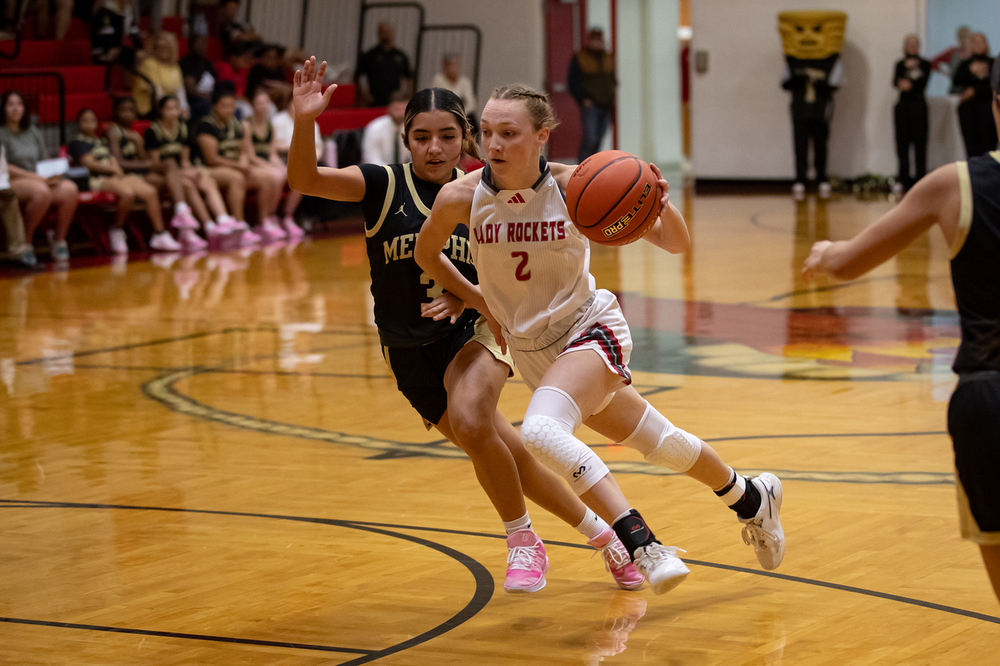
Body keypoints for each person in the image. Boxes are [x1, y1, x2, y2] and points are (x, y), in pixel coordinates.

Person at [288, 56, 644, 593]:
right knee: (508, 457)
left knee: (475, 420)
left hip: (478, 330)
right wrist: (303, 121)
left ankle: (523, 541)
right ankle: (605, 536)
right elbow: (303, 179)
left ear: (465, 141)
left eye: (448, 136)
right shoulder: (380, 185)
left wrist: (471, 297)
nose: (435, 148)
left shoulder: (488, 188)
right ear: (405, 139)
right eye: (423, 136)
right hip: (406, 346)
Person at [415, 84, 786, 593]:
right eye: (486, 132)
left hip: (590, 329)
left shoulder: (579, 186)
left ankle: (643, 544)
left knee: (542, 431)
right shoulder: (461, 195)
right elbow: (425, 254)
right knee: (660, 443)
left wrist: (657, 198)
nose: (493, 144)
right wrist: (479, 298)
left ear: (542, 135)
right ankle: (751, 496)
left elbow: (676, 243)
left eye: (509, 132)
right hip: (533, 352)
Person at [802, 58, 1000, 605]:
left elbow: (847, 262)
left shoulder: (954, 184)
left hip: (988, 399)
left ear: (994, 106)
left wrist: (826, 253)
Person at [69, 108, 181, 253]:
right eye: (85, 121)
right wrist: (112, 170)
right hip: (94, 179)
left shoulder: (101, 141)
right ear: (79, 124)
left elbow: (113, 159)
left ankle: (159, 234)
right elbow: (88, 162)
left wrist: (117, 170)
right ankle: (117, 229)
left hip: (114, 176)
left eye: (92, 120)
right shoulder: (77, 142)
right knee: (127, 193)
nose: (89, 124)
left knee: (150, 191)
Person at [193, 81, 282, 246]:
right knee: (237, 177)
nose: (229, 110)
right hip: (210, 170)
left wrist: (244, 164)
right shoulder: (206, 125)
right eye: (224, 106)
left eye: (231, 106)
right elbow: (212, 159)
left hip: (235, 168)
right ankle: (239, 224)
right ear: (214, 107)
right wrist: (239, 167)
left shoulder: (236, 124)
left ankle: (263, 222)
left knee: (267, 178)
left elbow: (243, 151)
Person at [145, 95, 232, 248]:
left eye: (175, 108)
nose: (173, 112)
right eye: (169, 109)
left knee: (197, 180)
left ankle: (212, 223)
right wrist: (181, 173)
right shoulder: (153, 130)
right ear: (161, 111)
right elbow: (155, 163)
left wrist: (190, 170)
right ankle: (206, 225)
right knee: (182, 177)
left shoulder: (184, 128)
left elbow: (185, 160)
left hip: (178, 173)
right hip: (159, 172)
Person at [0, 90, 78, 261]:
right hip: (10, 180)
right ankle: (26, 243)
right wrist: (34, 177)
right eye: (10, 104)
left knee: (70, 189)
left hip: (37, 178)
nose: (15, 108)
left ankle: (58, 240)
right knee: (41, 192)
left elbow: (43, 160)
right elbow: (4, 165)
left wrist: (54, 171)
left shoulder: (33, 131)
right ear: (3, 108)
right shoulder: (1, 132)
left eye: (19, 104)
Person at [244, 89, 289, 241]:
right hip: (252, 163)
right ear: (252, 105)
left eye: (265, 102)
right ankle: (263, 220)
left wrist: (280, 166)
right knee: (274, 176)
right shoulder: (246, 125)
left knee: (284, 173)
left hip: (265, 162)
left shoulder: (270, 126)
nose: (263, 106)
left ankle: (272, 216)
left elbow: (272, 154)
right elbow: (250, 156)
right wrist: (271, 167)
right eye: (259, 103)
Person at [270, 93, 316, 237]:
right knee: (288, 175)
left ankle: (290, 217)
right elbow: (274, 145)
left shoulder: (310, 120)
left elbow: (318, 146)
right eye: (295, 102)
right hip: (281, 160)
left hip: (303, 160)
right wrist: (295, 148)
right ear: (289, 103)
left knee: (309, 174)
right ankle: (272, 217)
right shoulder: (277, 121)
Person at [568, 27, 616, 162]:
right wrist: (582, 99)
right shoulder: (580, 57)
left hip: (606, 104)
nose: (597, 44)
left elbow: (612, 80)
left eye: (599, 41)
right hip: (590, 105)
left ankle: (594, 167)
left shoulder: (608, 57)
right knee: (590, 138)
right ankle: (581, 167)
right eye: (594, 41)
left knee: (600, 137)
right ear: (589, 41)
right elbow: (572, 82)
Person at [893, 34, 931, 196]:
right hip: (903, 107)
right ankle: (903, 179)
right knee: (902, 144)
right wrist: (908, 74)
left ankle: (921, 180)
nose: (912, 47)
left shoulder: (925, 64)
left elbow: (920, 84)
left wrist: (909, 81)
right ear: (905, 46)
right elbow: (896, 82)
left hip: (918, 107)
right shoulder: (900, 64)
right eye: (909, 44)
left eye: (915, 44)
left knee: (920, 144)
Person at [953, 33, 997, 159]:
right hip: (968, 111)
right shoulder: (965, 64)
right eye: (975, 42)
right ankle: (972, 175)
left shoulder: (993, 63)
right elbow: (956, 82)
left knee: (988, 146)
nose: (978, 45)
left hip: (988, 109)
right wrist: (971, 72)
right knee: (971, 145)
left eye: (981, 42)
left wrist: (975, 90)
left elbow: (995, 86)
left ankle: (989, 176)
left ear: (986, 44)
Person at [134, 31, 189, 119]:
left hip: (170, 108)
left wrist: (183, 109)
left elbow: (180, 91)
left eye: (166, 47)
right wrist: (171, 109)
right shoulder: (149, 64)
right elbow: (157, 92)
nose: (162, 50)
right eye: (159, 47)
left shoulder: (175, 67)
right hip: (151, 109)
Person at [355, 21, 412, 107]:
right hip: (374, 100)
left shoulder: (400, 56)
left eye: (388, 32)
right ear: (379, 34)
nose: (386, 35)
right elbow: (358, 76)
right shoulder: (370, 55)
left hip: (394, 100)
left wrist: (405, 95)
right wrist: (364, 95)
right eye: (383, 32)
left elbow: (409, 77)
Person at [361, 91, 410, 165]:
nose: (401, 114)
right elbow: (371, 159)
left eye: (404, 109)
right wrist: (393, 172)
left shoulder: (413, 129)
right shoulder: (375, 128)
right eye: (397, 109)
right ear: (389, 108)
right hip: (380, 173)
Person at [432, 53, 477, 130]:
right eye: (450, 65)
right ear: (444, 67)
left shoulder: (465, 82)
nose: (453, 68)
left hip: (462, 114)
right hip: (443, 113)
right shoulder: (438, 79)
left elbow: (471, 104)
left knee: (472, 123)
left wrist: (460, 113)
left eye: (455, 65)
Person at [180, 33, 218, 121]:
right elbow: (191, 91)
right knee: (207, 106)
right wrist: (211, 97)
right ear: (191, 45)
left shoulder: (208, 63)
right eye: (199, 43)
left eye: (204, 43)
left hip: (210, 98)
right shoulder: (186, 63)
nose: (202, 46)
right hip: (194, 101)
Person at [90, 0, 140, 68]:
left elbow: (134, 35)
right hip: (103, 52)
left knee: (142, 55)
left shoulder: (128, 11)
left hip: (118, 49)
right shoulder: (105, 13)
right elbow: (107, 43)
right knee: (134, 56)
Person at [930, 26, 972, 94]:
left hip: (972, 92)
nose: (963, 39)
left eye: (966, 36)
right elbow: (931, 63)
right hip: (955, 91)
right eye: (961, 36)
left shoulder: (975, 53)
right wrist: (944, 70)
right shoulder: (952, 52)